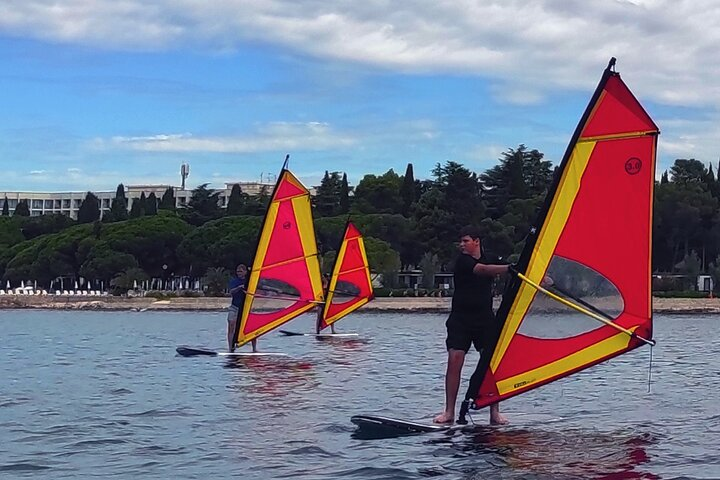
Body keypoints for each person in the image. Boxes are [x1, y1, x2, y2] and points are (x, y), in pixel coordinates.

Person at [433, 226, 510, 425]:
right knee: (455, 360)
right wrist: (512, 268)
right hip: (460, 320)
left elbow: (509, 270)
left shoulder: (491, 256)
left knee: (489, 364)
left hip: (484, 320)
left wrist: (534, 274)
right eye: (461, 241)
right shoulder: (463, 261)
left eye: (465, 241)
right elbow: (483, 270)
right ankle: (449, 412)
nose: (462, 245)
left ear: (476, 241)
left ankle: (495, 413)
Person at [227, 264, 256, 352]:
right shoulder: (234, 281)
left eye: (241, 271)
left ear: (245, 272)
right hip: (234, 307)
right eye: (237, 271)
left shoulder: (250, 281)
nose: (238, 273)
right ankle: (230, 348)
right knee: (231, 325)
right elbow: (231, 292)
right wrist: (239, 288)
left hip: (246, 308)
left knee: (252, 328)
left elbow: (258, 288)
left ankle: (254, 349)